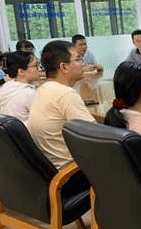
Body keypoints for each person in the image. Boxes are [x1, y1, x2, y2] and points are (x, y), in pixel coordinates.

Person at [27, 40, 96, 169]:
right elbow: (96, 137)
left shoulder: (44, 89)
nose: (83, 64)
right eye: (78, 59)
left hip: (54, 168)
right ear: (64, 67)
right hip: (73, 171)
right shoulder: (65, 93)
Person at [0, 51, 41, 123]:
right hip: (28, 129)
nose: (39, 69)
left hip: (13, 129)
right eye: (35, 65)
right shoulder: (29, 93)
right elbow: (44, 120)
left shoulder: (6, 87)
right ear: (21, 71)